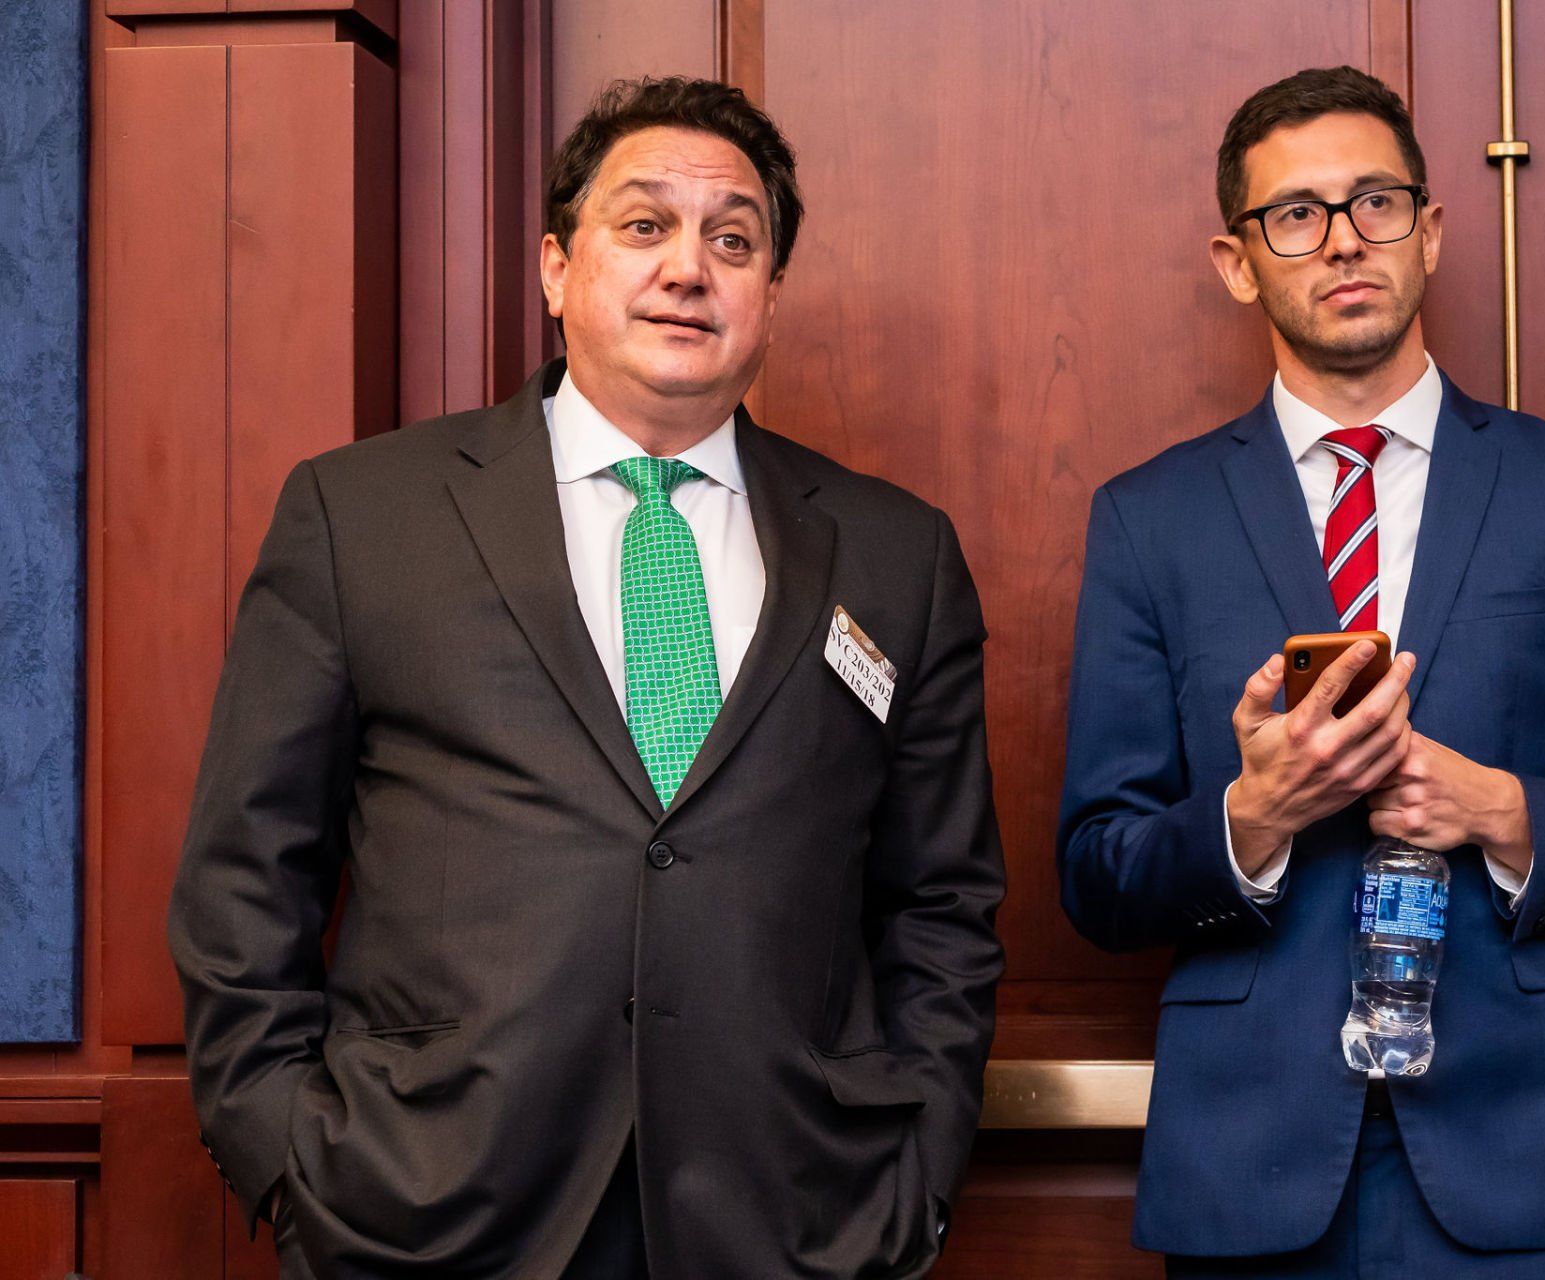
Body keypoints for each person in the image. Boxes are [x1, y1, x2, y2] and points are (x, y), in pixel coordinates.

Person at [170, 76, 1004, 1279]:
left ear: (770, 292)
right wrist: (293, 1163)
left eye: (733, 238)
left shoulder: (893, 552)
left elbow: (943, 902)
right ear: (557, 268)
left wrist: (914, 1182)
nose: (689, 267)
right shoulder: (363, 515)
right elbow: (244, 875)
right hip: (427, 1213)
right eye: (645, 225)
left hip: (793, 1219)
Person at [1056, 65, 1545, 1278]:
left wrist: (1500, 810)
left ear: (1433, 231)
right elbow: (1097, 870)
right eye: (1295, 214)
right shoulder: (1149, 520)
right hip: (1247, 1168)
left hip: (1523, 1165)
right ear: (1236, 260)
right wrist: (1253, 819)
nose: (1344, 241)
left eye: (1377, 203)